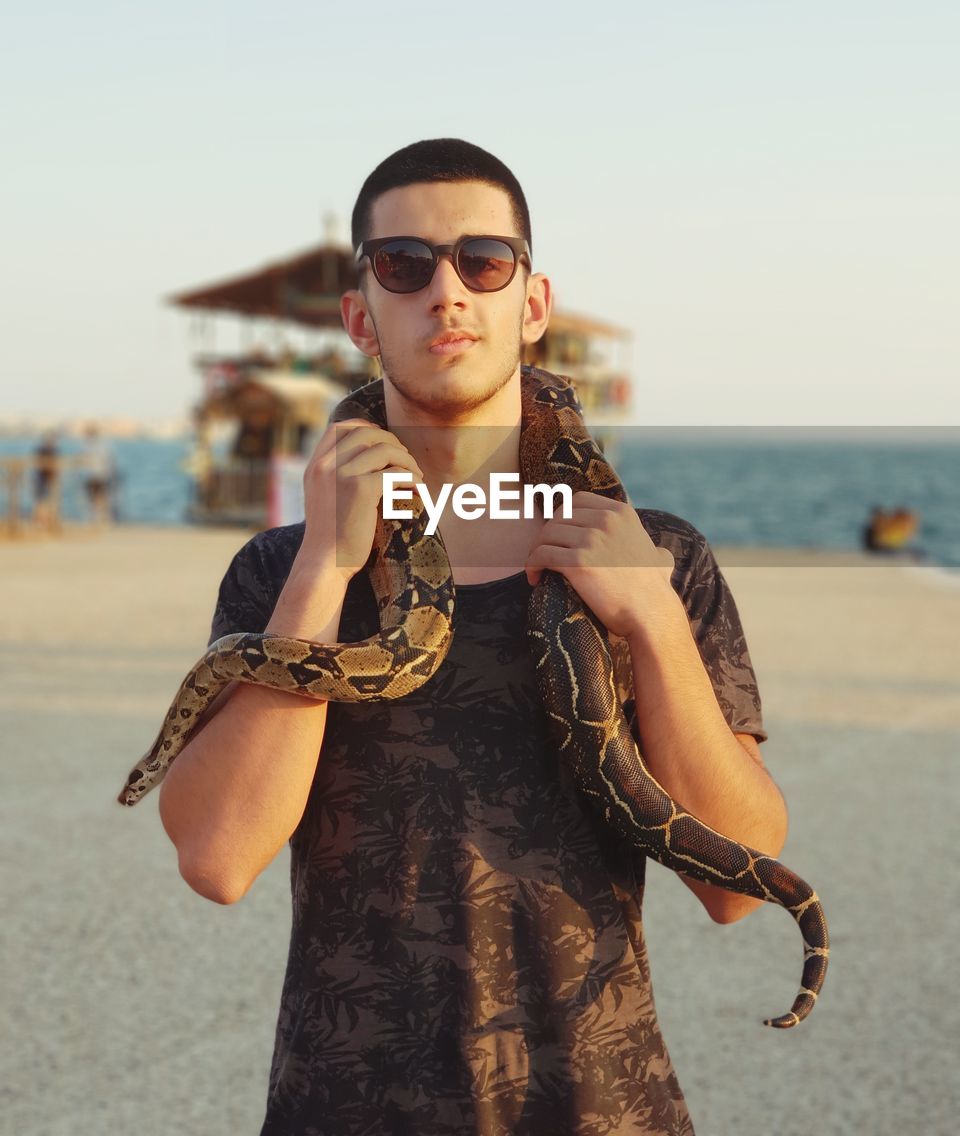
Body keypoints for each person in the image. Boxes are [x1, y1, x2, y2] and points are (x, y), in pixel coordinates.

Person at [158, 139, 787, 1136]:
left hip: (602, 1108)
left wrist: (655, 621)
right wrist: (326, 561)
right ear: (360, 315)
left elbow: (740, 881)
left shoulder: (654, 554)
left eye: (483, 261)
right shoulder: (279, 572)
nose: (446, 292)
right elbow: (218, 855)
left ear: (531, 302)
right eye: (405, 264)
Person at [82, 424, 114, 527]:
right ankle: (100, 519)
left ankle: (101, 518)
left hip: (98, 474)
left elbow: (105, 460)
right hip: (96, 474)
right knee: (97, 497)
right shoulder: (94, 445)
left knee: (99, 497)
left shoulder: (94, 446)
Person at [32, 430, 61, 531]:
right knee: (41, 502)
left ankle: (45, 521)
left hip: (48, 479)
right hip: (41, 478)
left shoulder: (53, 450)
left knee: (45, 501)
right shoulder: (43, 450)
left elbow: (55, 465)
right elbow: (40, 463)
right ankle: (41, 522)